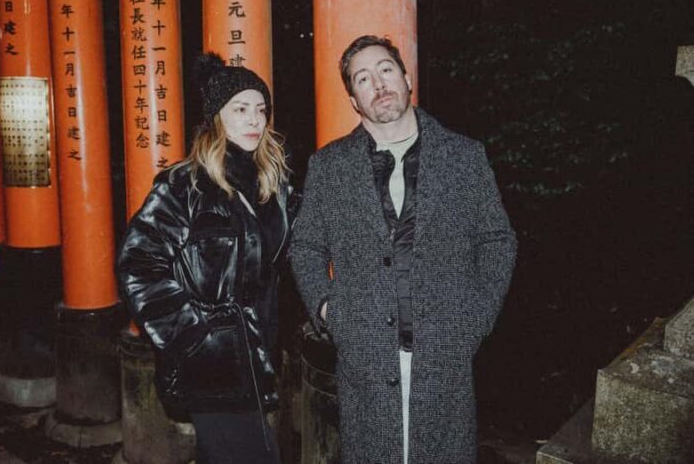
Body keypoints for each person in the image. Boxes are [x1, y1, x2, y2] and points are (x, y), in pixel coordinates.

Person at [289, 35, 517, 463]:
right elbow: (305, 247)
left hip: (445, 354)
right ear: (354, 100)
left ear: (407, 77)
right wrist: (327, 310)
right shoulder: (328, 166)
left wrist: (478, 316)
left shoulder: (464, 157)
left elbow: (497, 241)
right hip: (366, 358)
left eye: (386, 69)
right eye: (362, 78)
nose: (378, 83)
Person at [117, 54, 296, 464]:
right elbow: (138, 266)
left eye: (260, 110)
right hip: (211, 361)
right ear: (217, 116)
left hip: (260, 353)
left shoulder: (275, 185)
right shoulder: (185, 185)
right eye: (240, 109)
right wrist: (192, 335)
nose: (254, 120)